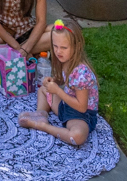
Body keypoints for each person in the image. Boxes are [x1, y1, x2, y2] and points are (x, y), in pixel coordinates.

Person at [20, 19, 98, 147]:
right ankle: (41, 113)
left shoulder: (83, 74)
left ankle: (43, 126)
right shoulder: (67, 61)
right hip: (66, 107)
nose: (58, 51)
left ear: (77, 46)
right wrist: (54, 80)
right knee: (43, 89)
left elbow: (82, 107)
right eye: (55, 46)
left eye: (63, 47)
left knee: (76, 137)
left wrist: (57, 91)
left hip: (81, 116)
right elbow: (65, 80)